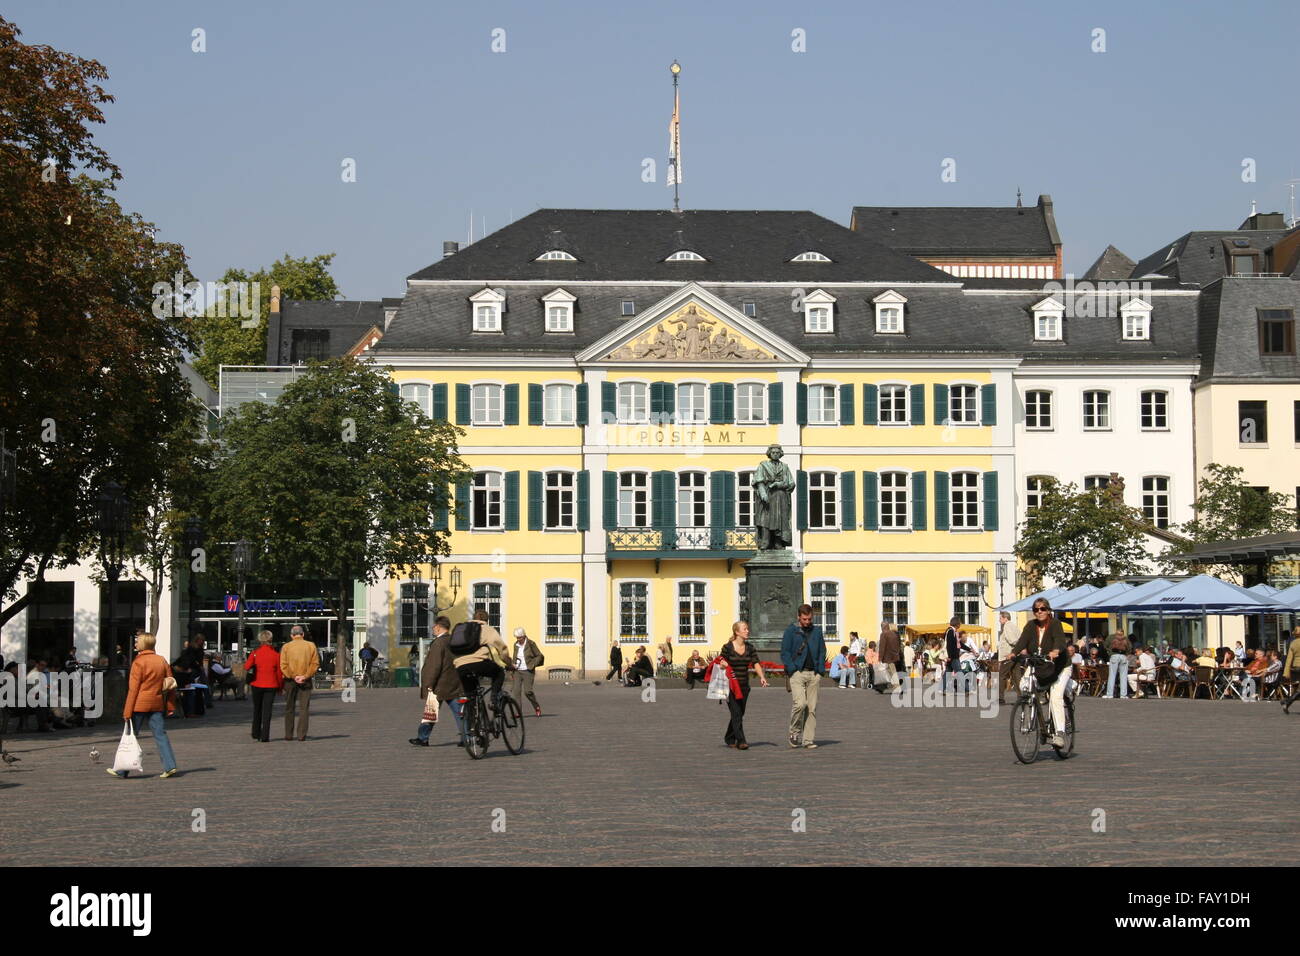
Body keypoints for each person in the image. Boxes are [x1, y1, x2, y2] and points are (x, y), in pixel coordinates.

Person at [106, 632, 178, 779]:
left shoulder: (138, 662)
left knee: (130, 736)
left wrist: (127, 711)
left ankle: (122, 769)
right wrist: (170, 705)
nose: (135, 644)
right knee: (160, 735)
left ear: (143, 644)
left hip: (139, 704)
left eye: (137, 641)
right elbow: (171, 683)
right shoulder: (161, 660)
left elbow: (133, 689)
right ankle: (170, 766)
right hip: (156, 703)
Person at [1010, 599, 1072, 748]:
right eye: (1036, 609)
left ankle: (1060, 733)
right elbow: (1022, 641)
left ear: (1048, 610)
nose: (1039, 612)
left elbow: (1060, 640)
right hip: (1039, 665)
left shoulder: (1055, 624)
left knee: (1055, 697)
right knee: (1024, 685)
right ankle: (1037, 722)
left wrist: (1056, 650)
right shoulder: (1031, 625)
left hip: (1060, 666)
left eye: (1043, 609)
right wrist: (1013, 653)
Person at [412, 616, 466, 747]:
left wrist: (428, 683)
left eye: (434, 626)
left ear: (439, 627)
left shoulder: (438, 643)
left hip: (439, 684)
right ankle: (467, 738)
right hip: (453, 682)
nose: (432, 628)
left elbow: (434, 665)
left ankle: (423, 738)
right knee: (459, 713)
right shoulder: (453, 640)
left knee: (431, 711)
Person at [713, 621, 767, 750]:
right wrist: (723, 664)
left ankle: (729, 737)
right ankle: (741, 741)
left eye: (747, 628)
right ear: (737, 632)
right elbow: (720, 661)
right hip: (730, 686)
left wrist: (762, 677)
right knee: (736, 713)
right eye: (745, 629)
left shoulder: (750, 648)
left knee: (739, 713)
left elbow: (756, 663)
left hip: (744, 686)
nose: (747, 631)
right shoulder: (728, 647)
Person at [780, 604, 826, 749]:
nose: (807, 622)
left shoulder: (817, 631)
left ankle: (808, 740)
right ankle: (794, 732)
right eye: (805, 619)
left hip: (814, 673)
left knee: (811, 708)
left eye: (810, 619)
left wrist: (820, 670)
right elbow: (785, 652)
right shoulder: (791, 631)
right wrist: (792, 668)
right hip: (798, 673)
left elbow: (822, 650)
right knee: (800, 704)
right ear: (798, 617)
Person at [454, 609, 512, 709]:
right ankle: (493, 700)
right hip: (479, 663)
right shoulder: (487, 629)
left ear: (473, 618)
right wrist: (509, 663)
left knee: (470, 695)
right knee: (499, 673)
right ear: (486, 620)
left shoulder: (462, 628)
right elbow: (502, 649)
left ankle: (471, 717)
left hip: (460, 666)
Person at [280, 624, 320, 741]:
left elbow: (283, 665)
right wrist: (305, 676)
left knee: (289, 707)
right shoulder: (311, 645)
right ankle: (301, 734)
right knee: (304, 708)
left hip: (289, 680)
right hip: (305, 680)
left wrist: (293, 676)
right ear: (303, 634)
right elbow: (315, 664)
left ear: (291, 635)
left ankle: (288, 734)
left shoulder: (286, 647)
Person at [244, 631, 283, 742]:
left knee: (257, 709)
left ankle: (256, 732)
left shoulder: (255, 653)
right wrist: (280, 687)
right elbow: (279, 673)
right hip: (271, 684)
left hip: (257, 683)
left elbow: (247, 667)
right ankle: (265, 735)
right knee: (267, 711)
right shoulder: (276, 655)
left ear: (260, 640)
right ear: (271, 640)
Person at [509, 627, 544, 717]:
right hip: (517, 671)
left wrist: (532, 664)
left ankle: (536, 707)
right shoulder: (515, 645)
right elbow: (514, 657)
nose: (518, 639)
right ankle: (518, 712)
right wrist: (512, 669)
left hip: (528, 671)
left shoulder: (531, 643)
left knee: (528, 691)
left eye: (520, 637)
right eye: (517, 637)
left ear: (524, 636)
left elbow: (539, 656)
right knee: (516, 691)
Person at [997, 611, 1020, 704]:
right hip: (1016, 654)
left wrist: (1015, 647)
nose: (999, 620)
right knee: (1016, 677)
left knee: (1001, 676)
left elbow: (1012, 640)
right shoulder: (1014, 626)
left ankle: (1000, 698)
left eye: (1000, 618)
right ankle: (1020, 697)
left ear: (1005, 618)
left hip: (1008, 655)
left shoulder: (1007, 626)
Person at [1106, 630, 1131, 699]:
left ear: (1116, 632)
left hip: (1114, 656)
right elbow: (1129, 648)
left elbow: (1105, 645)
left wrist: (1110, 653)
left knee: (1112, 675)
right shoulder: (1125, 638)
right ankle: (1123, 695)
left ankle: (1110, 694)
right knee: (1123, 676)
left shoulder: (1111, 637)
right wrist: (1126, 654)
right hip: (1123, 657)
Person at [877, 624, 900, 693]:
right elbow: (898, 645)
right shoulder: (893, 634)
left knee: (886, 671)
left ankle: (896, 686)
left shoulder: (883, 634)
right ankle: (893, 686)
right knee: (892, 671)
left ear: (882, 627)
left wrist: (880, 657)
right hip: (893, 656)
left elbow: (882, 646)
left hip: (887, 657)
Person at [1282, 628, 1300, 713]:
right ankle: (1287, 702)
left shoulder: (1293, 643)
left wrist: (1286, 672)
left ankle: (1286, 701)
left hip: (1296, 668)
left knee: (1297, 689)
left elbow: (1289, 659)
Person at [943, 617, 962, 692]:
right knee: (959, 673)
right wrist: (950, 656)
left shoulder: (952, 631)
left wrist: (969, 649)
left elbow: (958, 644)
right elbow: (950, 645)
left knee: (947, 674)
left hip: (952, 657)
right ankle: (967, 689)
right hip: (953, 657)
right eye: (959, 623)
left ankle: (941, 689)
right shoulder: (951, 631)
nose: (960, 624)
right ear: (957, 624)